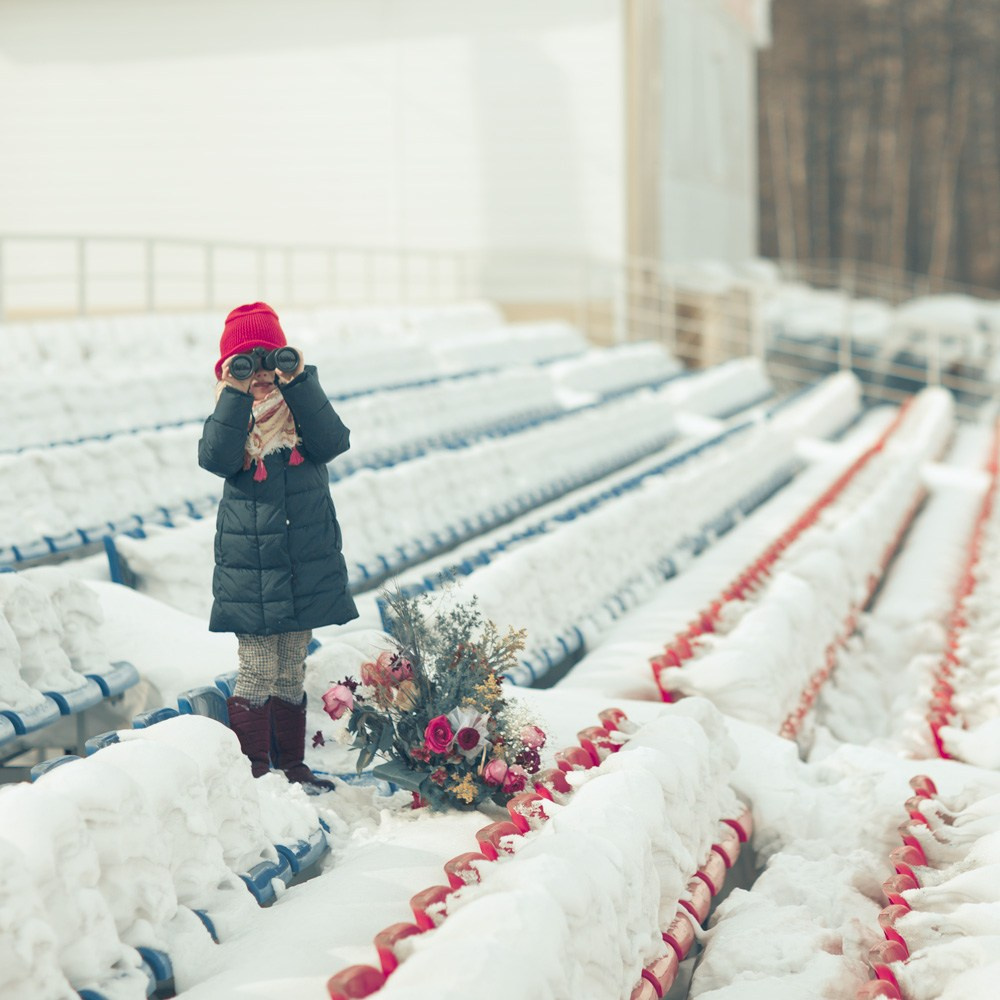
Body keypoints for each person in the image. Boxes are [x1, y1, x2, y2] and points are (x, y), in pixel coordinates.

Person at [199, 302, 358, 792]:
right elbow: (215, 457)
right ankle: (253, 771)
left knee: (292, 665)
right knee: (258, 667)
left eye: (268, 360)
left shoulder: (301, 419)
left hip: (303, 562)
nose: (262, 373)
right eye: (246, 362)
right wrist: (236, 392)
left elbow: (334, 440)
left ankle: (291, 765)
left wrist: (300, 380)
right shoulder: (232, 419)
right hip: (253, 568)